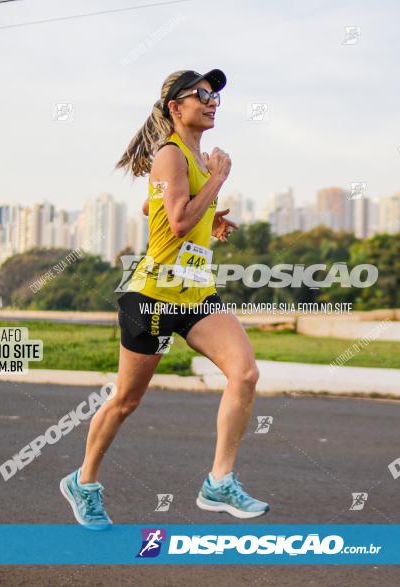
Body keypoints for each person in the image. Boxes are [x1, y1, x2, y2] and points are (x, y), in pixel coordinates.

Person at [60, 69, 269, 529]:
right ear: (176, 107)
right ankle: (84, 481)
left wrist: (209, 222)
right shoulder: (173, 154)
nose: (212, 101)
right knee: (127, 400)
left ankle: (219, 481)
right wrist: (215, 182)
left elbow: (153, 207)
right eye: (202, 95)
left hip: (196, 294)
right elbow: (175, 222)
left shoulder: (190, 157)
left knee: (245, 372)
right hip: (153, 298)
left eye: (215, 96)